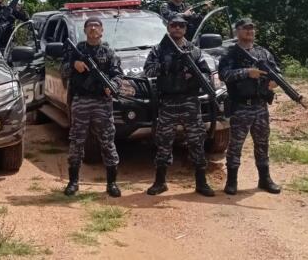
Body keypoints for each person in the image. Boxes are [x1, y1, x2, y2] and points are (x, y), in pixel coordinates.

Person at [143, 15, 215, 197]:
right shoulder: (158, 50)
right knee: (164, 142)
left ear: (185, 28)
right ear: (168, 27)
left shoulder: (194, 50)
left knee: (196, 140)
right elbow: (148, 71)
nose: (177, 28)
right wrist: (169, 65)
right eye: (173, 25)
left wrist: (194, 74)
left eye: (181, 26)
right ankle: (160, 182)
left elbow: (207, 74)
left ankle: (201, 182)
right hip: (168, 101)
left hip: (190, 100)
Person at [61, 17, 132, 198]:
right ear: (85, 31)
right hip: (81, 100)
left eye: (96, 26)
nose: (93, 29)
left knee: (107, 141)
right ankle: (73, 182)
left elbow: (117, 74)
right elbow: (62, 70)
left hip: (102, 102)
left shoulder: (108, 53)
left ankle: (112, 183)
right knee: (77, 140)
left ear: (102, 31)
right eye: (89, 26)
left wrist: (113, 86)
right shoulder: (77, 51)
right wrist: (73, 64)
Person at [218, 18, 281, 195]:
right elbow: (224, 75)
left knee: (262, 144)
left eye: (252, 28)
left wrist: (273, 83)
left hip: (261, 107)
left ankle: (265, 179)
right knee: (235, 145)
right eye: (245, 28)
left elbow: (277, 72)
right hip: (241, 107)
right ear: (237, 31)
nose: (250, 31)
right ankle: (232, 181)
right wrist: (246, 72)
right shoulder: (230, 54)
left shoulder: (263, 53)